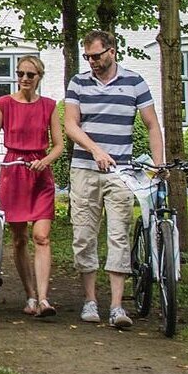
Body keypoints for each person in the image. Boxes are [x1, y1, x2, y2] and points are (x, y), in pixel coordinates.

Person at [63, 28, 165, 330]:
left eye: (96, 56)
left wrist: (158, 163)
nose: (92, 62)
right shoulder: (78, 83)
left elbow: (152, 124)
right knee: (84, 235)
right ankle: (90, 300)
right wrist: (95, 150)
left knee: (119, 234)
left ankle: (118, 306)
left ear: (112, 51)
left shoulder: (135, 82)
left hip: (121, 172)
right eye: (87, 57)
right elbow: (71, 125)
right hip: (84, 170)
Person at [0, 54, 64, 316]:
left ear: (39, 77)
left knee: (42, 237)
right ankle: (30, 296)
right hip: (14, 172)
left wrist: (45, 161)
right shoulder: (4, 104)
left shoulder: (49, 106)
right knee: (19, 239)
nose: (24, 79)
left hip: (40, 174)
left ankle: (44, 299)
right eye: (20, 74)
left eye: (30, 74)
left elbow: (59, 145)